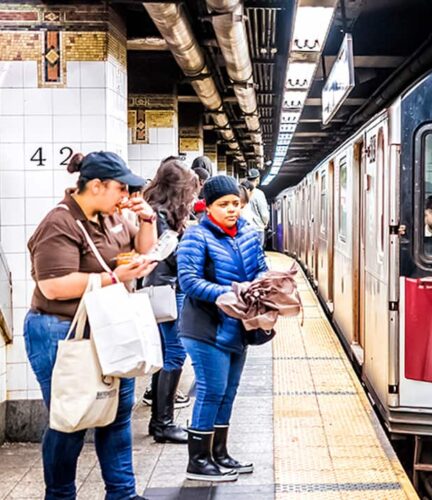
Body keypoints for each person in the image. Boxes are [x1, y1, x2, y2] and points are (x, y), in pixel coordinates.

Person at [25, 151, 157, 500]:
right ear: (96, 186)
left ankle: (123, 494)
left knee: (116, 415)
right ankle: (60, 495)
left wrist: (147, 220)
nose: (126, 197)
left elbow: (144, 249)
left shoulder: (112, 217)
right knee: (70, 419)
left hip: (107, 327)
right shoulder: (60, 222)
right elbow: (52, 286)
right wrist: (113, 278)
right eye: (120, 188)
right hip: (61, 331)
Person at [177, 175, 269, 482]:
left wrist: (265, 287)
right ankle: (198, 461)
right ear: (209, 207)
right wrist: (225, 293)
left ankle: (219, 454)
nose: (232, 210)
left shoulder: (248, 234)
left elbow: (260, 269)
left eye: (236, 204)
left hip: (238, 325)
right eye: (223, 204)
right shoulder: (196, 236)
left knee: (228, 392)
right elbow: (188, 281)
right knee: (211, 389)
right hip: (205, 327)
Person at [140, 159, 200, 444]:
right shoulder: (161, 215)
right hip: (165, 288)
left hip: (164, 287)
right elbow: (166, 255)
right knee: (175, 353)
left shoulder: (155, 209)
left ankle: (158, 422)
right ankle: (163, 424)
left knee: (167, 354)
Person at [245, 169, 270, 246]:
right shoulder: (259, 194)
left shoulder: (241, 191)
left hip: (244, 229)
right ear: (257, 179)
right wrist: (265, 223)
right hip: (257, 229)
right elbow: (264, 214)